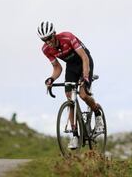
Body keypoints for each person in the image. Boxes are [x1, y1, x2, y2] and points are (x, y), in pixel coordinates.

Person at [37, 21, 104, 149]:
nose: (48, 42)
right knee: (69, 97)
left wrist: (85, 78)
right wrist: (51, 79)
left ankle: (97, 113)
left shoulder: (67, 37)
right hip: (71, 67)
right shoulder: (46, 49)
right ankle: (74, 135)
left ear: (54, 34)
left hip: (84, 62)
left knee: (83, 95)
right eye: (44, 40)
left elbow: (84, 58)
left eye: (49, 38)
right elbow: (57, 68)